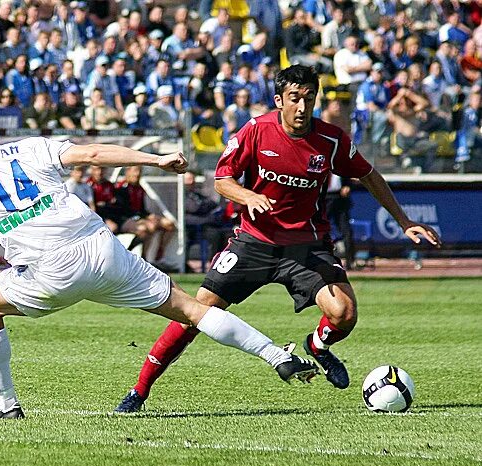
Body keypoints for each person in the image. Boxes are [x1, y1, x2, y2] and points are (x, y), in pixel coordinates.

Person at [0, 106, 319, 419]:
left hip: (51, 269)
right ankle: (275, 354)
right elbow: (93, 155)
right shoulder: (31, 147)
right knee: (189, 308)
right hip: (102, 248)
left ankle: (5, 405)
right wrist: (156, 159)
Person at [114, 65, 441, 413]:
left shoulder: (331, 140)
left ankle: (318, 346)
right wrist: (248, 197)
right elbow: (223, 180)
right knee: (197, 312)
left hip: (307, 246)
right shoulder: (256, 131)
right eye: (295, 99)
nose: (302, 107)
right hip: (254, 242)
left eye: (309, 99)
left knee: (344, 313)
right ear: (279, 100)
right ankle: (139, 390)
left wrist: (403, 220)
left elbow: (369, 176)